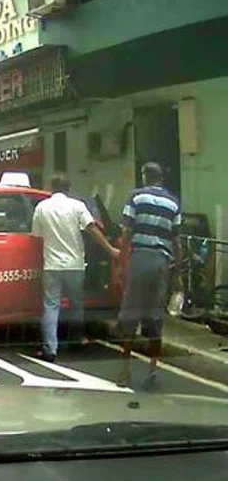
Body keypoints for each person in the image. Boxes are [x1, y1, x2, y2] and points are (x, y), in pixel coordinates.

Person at [32, 172, 121, 362]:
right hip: (75, 265)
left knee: (51, 306)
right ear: (69, 188)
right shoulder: (77, 206)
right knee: (76, 306)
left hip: (52, 265)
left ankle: (50, 348)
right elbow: (92, 229)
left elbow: (36, 237)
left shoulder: (42, 207)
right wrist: (111, 249)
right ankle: (74, 341)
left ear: (51, 187)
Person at [116, 162, 182, 387]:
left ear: (145, 176)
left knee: (130, 315)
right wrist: (178, 272)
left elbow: (127, 232)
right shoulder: (173, 202)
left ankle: (124, 371)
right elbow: (177, 240)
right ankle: (152, 369)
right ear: (161, 177)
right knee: (155, 317)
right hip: (161, 262)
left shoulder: (136, 197)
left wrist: (120, 262)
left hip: (139, 259)